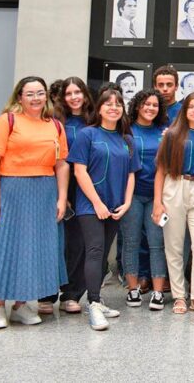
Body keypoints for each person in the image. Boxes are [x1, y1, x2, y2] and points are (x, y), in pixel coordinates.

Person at [0, 77, 69, 329]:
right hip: (11, 190)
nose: (36, 98)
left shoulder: (55, 126)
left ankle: (20, 305)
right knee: (3, 246)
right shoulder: (7, 121)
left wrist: (61, 198)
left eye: (40, 93)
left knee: (34, 248)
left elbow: (61, 164)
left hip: (44, 193)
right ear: (19, 98)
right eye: (30, 94)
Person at [68, 88, 139, 331]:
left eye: (118, 104)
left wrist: (127, 202)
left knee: (103, 252)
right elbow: (79, 171)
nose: (113, 107)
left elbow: (131, 174)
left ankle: (97, 299)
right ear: (98, 109)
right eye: (108, 103)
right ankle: (94, 304)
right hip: (90, 205)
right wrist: (97, 203)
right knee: (95, 251)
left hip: (116, 206)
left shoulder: (127, 140)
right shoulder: (88, 135)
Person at [152, 92, 194, 316]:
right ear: (184, 110)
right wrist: (157, 202)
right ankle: (179, 296)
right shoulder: (172, 135)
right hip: (174, 186)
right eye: (191, 107)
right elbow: (160, 171)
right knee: (174, 246)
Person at [43, 77, 94, 315]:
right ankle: (46, 293)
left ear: (85, 94)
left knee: (78, 244)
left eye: (78, 92)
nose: (74, 97)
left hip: (87, 186)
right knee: (54, 242)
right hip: (58, 185)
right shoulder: (54, 122)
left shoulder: (94, 121)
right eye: (69, 93)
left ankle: (71, 294)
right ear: (62, 97)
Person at [121, 90, 169, 311]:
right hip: (132, 196)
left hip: (157, 196)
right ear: (138, 106)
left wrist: (161, 200)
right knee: (130, 242)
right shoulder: (126, 130)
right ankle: (133, 290)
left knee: (156, 243)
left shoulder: (164, 131)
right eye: (146, 104)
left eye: (155, 105)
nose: (150, 108)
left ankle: (158, 292)